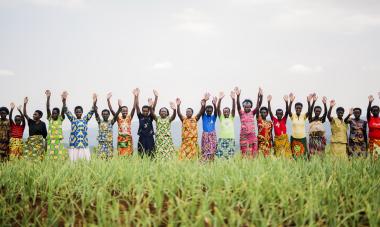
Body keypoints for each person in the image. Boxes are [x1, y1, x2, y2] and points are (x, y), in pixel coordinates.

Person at [63, 93, 97, 161]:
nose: (78, 113)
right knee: (74, 162)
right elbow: (65, 110)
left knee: (84, 161)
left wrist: (94, 102)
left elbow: (92, 110)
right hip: (74, 144)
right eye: (77, 112)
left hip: (83, 144)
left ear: (82, 112)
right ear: (75, 113)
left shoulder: (85, 119)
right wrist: (64, 100)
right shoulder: (72, 119)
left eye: (80, 112)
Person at [177, 95, 207, 160]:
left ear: (192, 113)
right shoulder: (183, 119)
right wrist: (178, 105)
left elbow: (201, 112)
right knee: (182, 156)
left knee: (193, 156)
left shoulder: (195, 119)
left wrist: (203, 104)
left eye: (189, 111)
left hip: (193, 141)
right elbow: (179, 114)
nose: (188, 113)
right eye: (187, 112)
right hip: (185, 141)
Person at [107, 91, 137, 156]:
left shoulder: (129, 117)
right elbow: (111, 110)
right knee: (121, 153)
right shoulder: (118, 118)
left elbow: (134, 108)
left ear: (128, 111)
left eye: (126, 111)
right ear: (121, 111)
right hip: (121, 138)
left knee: (129, 153)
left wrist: (135, 96)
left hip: (128, 138)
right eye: (123, 110)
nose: (125, 112)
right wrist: (108, 100)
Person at [235, 87, 263, 158]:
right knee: (245, 153)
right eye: (245, 107)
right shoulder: (241, 113)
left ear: (250, 107)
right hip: (244, 136)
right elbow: (238, 106)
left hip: (252, 136)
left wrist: (259, 96)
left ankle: (252, 165)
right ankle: (245, 165)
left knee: (253, 153)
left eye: (248, 107)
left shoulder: (252, 113)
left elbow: (258, 106)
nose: (247, 108)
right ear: (243, 107)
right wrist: (238, 96)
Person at [135, 89, 157, 158]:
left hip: (150, 138)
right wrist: (136, 96)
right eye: (143, 111)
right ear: (142, 111)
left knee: (151, 154)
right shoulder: (140, 116)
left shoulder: (151, 117)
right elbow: (137, 106)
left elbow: (153, 108)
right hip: (142, 138)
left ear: (148, 111)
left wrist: (156, 97)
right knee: (141, 153)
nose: (145, 112)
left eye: (146, 111)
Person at [288, 93, 312, 159]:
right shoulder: (293, 116)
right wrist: (291, 101)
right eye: (297, 108)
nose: (298, 109)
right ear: (295, 108)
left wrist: (309, 102)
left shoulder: (303, 116)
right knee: (294, 155)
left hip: (302, 138)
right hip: (294, 138)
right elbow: (288, 111)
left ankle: (302, 167)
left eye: (300, 108)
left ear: (301, 109)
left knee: (303, 155)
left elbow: (309, 112)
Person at [45, 90, 66, 160]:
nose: (53, 114)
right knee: (50, 158)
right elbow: (47, 108)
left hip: (58, 141)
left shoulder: (60, 118)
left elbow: (63, 109)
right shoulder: (50, 118)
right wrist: (48, 97)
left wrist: (64, 100)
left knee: (59, 157)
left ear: (58, 114)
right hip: (50, 141)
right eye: (53, 113)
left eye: (55, 113)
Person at [216, 91, 236, 159]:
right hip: (222, 139)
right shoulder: (221, 118)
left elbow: (234, 109)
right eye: (224, 112)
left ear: (229, 112)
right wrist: (220, 99)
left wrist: (233, 99)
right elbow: (218, 109)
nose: (226, 113)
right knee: (221, 156)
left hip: (231, 138)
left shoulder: (231, 117)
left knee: (230, 156)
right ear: (223, 113)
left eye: (227, 112)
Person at [201, 93, 218, 161]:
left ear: (212, 111)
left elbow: (216, 112)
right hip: (205, 135)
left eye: (210, 110)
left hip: (212, 135)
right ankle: (204, 162)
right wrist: (205, 100)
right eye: (207, 110)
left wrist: (214, 104)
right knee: (205, 150)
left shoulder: (214, 117)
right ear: (205, 111)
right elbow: (202, 109)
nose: (209, 111)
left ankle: (211, 162)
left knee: (212, 150)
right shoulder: (204, 116)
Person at [367, 93, 380, 159]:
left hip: (379, 141)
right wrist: (370, 102)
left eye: (377, 110)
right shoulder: (370, 118)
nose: (375, 112)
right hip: (371, 141)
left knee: (377, 158)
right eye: (373, 111)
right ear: (371, 112)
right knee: (371, 158)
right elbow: (368, 111)